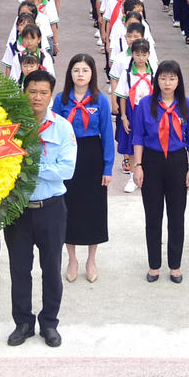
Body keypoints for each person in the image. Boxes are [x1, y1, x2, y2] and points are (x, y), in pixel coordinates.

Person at [5, 69, 76, 348]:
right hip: (18, 209)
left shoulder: (62, 127)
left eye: (43, 92)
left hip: (51, 208)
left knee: (50, 268)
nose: (37, 97)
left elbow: (67, 170)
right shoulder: (10, 127)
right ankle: (23, 322)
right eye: (32, 91)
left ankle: (49, 323)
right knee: (19, 269)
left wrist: (31, 166)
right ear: (25, 92)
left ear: (51, 95)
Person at [131, 59, 189, 283]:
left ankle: (175, 265)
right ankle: (154, 265)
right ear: (156, 79)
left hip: (178, 162)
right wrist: (137, 166)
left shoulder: (187, 105)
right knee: (153, 215)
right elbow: (138, 137)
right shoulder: (145, 105)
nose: (167, 82)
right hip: (152, 161)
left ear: (179, 80)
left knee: (176, 216)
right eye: (162, 77)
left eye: (172, 78)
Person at [52, 54, 113, 284]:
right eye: (76, 70)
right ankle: (72, 258)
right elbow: (55, 132)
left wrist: (107, 167)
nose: (80, 74)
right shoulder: (61, 100)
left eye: (85, 70)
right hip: (69, 155)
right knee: (69, 208)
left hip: (92, 155)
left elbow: (107, 135)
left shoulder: (100, 101)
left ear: (91, 74)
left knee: (93, 208)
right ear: (70, 73)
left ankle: (91, 258)